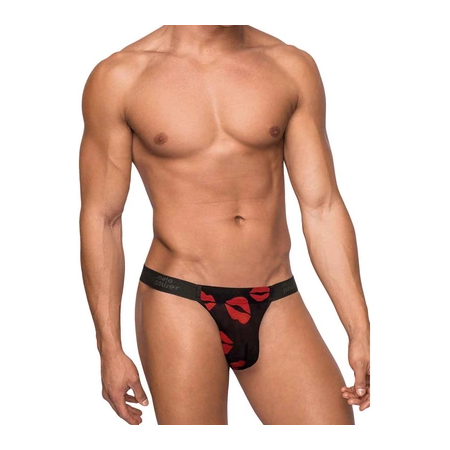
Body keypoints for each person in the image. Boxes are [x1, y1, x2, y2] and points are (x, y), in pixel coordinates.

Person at [79, 25, 370, 425]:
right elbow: (103, 218)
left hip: (275, 293)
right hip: (179, 296)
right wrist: (109, 348)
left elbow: (322, 206)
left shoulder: (289, 66)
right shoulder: (121, 76)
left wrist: (358, 328)